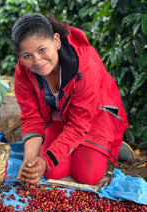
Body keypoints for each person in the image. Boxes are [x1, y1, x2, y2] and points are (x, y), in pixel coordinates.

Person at [12, 13, 133, 188]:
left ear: (56, 40)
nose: (37, 61)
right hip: (61, 117)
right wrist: (30, 164)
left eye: (42, 50)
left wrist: (46, 160)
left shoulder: (85, 64)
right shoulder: (23, 70)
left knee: (87, 175)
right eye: (27, 55)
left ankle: (111, 145)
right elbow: (31, 118)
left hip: (96, 115)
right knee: (52, 171)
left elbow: (79, 124)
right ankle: (81, 147)